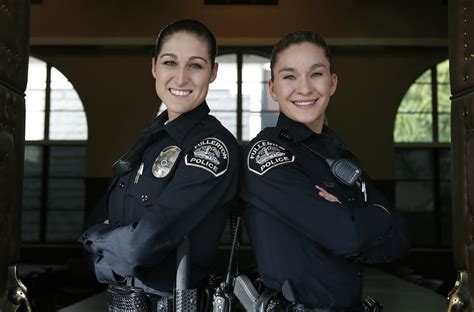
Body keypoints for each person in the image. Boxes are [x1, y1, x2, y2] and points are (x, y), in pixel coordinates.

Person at [240, 31, 409, 311]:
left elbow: (400, 240)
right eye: (289, 77)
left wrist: (351, 219)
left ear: (332, 83)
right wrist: (373, 214)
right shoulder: (265, 155)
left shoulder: (342, 157)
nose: (304, 88)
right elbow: (347, 236)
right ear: (273, 88)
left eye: (315, 74)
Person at [78, 19, 239, 309]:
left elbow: (142, 244)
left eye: (196, 65)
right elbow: (95, 220)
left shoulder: (212, 147)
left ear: (213, 73)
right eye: (170, 63)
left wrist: (98, 243)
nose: (180, 78)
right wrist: (105, 241)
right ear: (154, 67)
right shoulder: (150, 141)